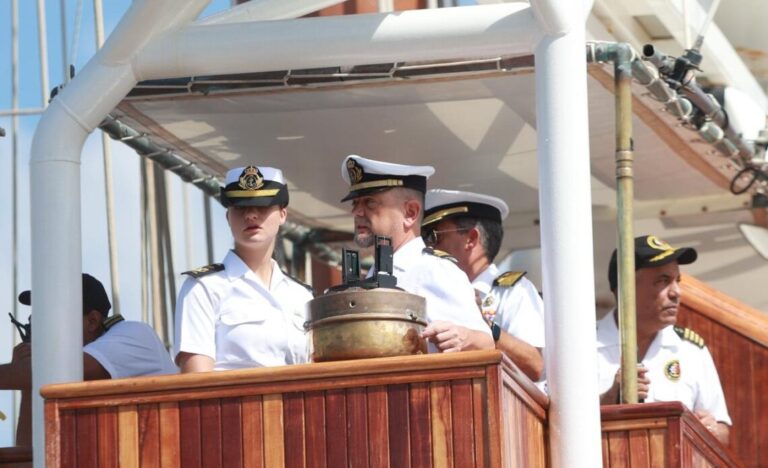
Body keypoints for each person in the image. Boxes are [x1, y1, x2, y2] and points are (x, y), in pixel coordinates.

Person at [0, 273, 177, 446]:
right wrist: (27, 385)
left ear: (92, 321)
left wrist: (27, 372)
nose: (39, 328)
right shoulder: (59, 377)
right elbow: (28, 455)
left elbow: (57, 369)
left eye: (48, 318)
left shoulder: (134, 334)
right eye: (35, 319)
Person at [341, 154, 493, 352]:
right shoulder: (374, 273)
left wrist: (465, 337)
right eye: (355, 204)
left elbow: (486, 345)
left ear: (410, 213)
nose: (357, 212)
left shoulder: (433, 271)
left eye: (369, 203)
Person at [174, 165, 314, 372]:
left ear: (283, 214)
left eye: (262, 206)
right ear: (228, 217)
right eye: (240, 208)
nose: (250, 215)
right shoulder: (202, 288)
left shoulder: (302, 295)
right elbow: (198, 383)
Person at [597, 235, 731, 444]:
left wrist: (710, 430)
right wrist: (612, 398)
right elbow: (555, 425)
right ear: (625, 288)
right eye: (663, 281)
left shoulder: (690, 350)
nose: (676, 292)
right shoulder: (581, 347)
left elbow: (722, 430)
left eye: (677, 281)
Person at [422, 189, 545, 381]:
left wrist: (487, 326)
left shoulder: (514, 292)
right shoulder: (430, 289)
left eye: (434, 236)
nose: (428, 247)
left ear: (471, 238)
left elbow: (535, 365)